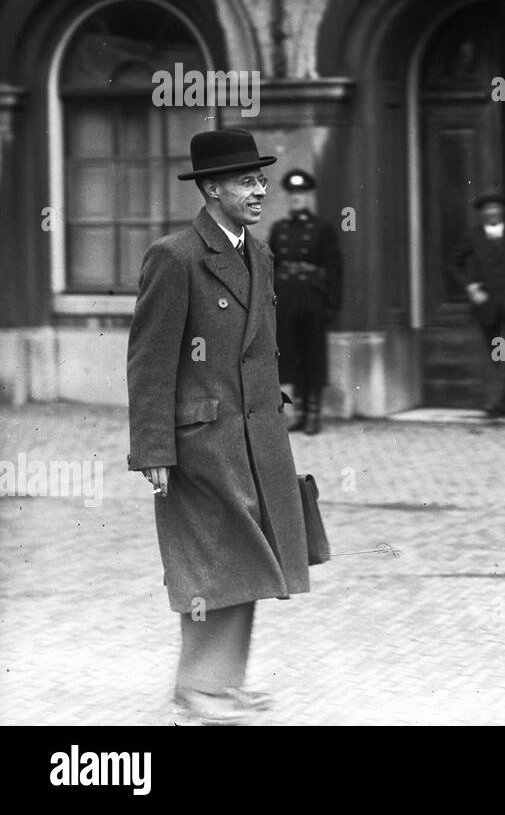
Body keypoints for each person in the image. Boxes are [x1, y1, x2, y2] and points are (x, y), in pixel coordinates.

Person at [127, 129, 311, 725]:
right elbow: (149, 360)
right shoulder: (176, 256)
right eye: (246, 182)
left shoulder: (258, 254)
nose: (260, 191)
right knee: (212, 563)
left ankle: (220, 686)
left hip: (256, 438)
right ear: (211, 189)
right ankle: (199, 693)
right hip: (200, 441)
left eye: (260, 180)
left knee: (250, 560)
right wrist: (153, 447)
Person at [449, 192, 505, 418]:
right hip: (487, 308)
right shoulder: (473, 237)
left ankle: (493, 401)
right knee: (497, 356)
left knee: (503, 354)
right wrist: (470, 287)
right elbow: (453, 262)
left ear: (502, 212)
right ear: (482, 214)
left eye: (496, 209)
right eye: (487, 210)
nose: (492, 213)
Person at [270, 168, 343, 435]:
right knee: (291, 354)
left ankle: (314, 413)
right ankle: (299, 411)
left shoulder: (322, 229)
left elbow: (334, 268)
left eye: (301, 194)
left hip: (312, 298)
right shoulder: (279, 229)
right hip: (287, 296)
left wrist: (332, 304)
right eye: (292, 194)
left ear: (309, 196)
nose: (296, 199)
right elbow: (272, 266)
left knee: (313, 354)